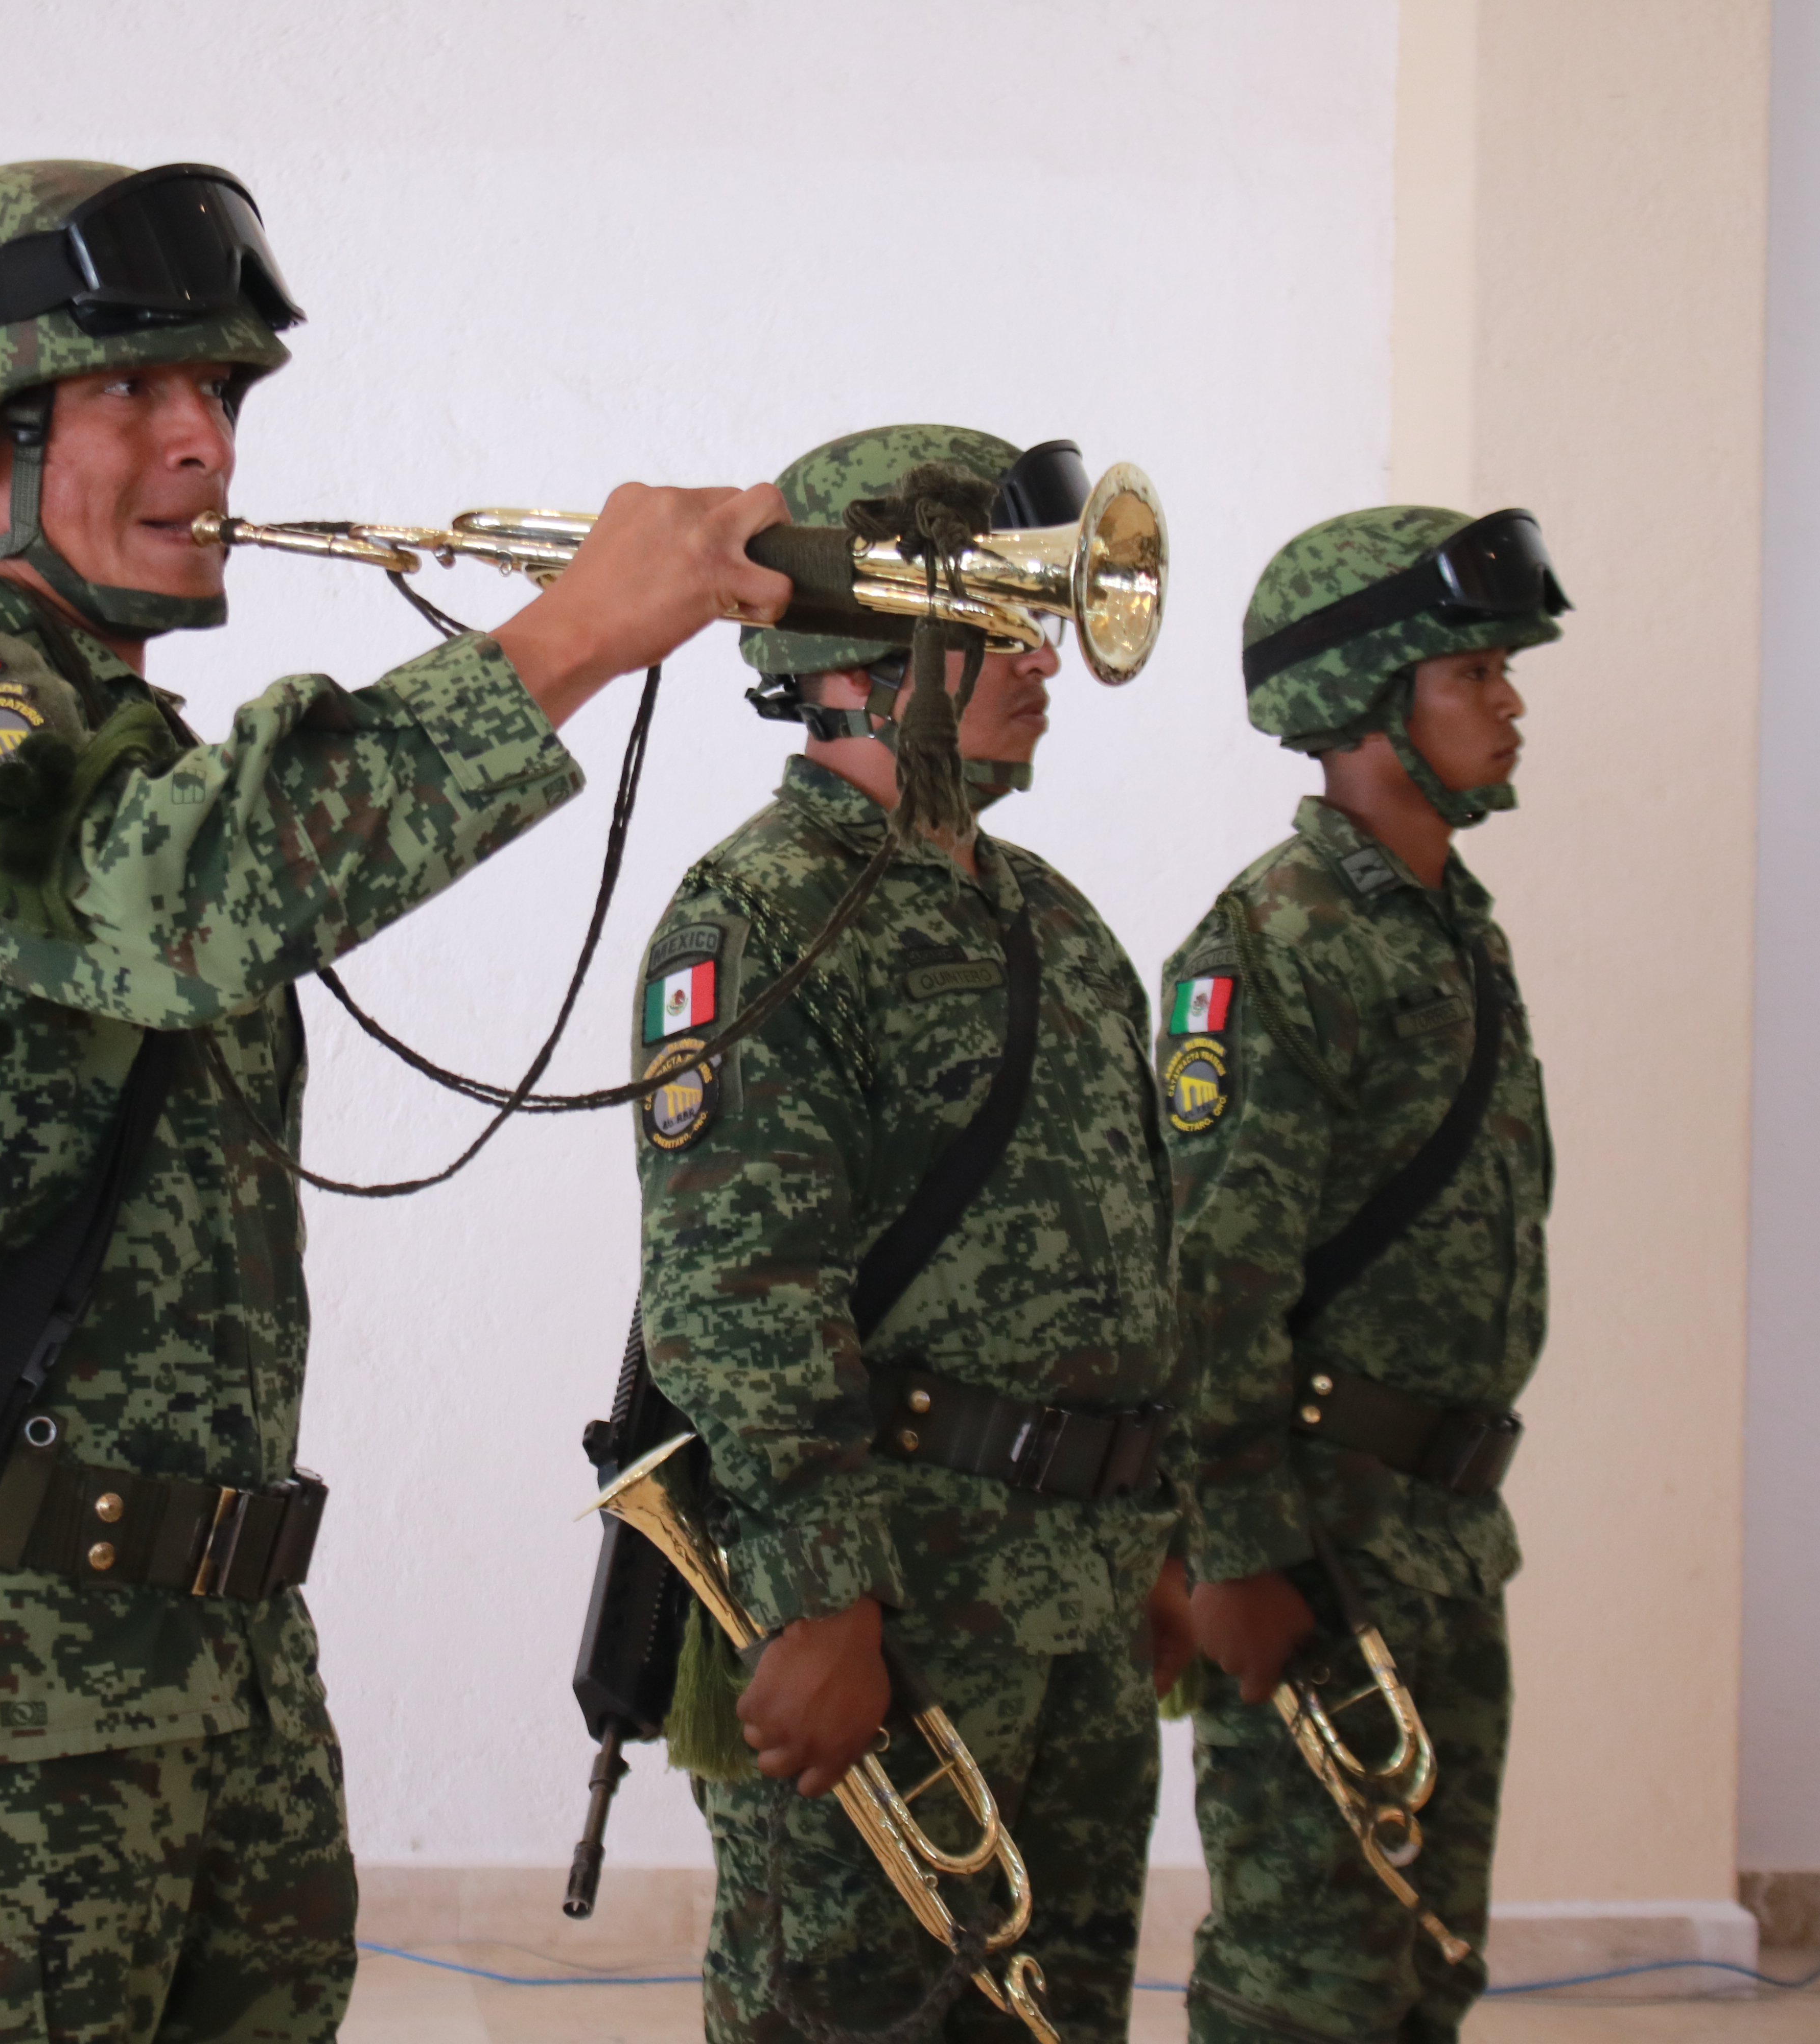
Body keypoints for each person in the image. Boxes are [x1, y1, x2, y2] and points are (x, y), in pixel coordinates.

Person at [0, 158, 788, 2044]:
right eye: (142, 394)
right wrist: (574, 635)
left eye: (224, 396)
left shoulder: (108, 731)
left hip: (220, 1677)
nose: (208, 443)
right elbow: (178, 899)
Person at [630, 424, 1194, 2044]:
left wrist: (1153, 1527)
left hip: (1075, 1601)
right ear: (863, 655)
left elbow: (1135, 1252)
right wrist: (822, 1603)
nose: (1043, 658)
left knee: (1053, 2018)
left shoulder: (1056, 923)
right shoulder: (759, 914)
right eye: (994, 620)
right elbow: (737, 1288)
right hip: (897, 1599)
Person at [1159, 506, 1568, 2043]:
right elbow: (1211, 1278)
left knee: (1427, 1959)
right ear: (1371, 698)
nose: (1511, 700)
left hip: (1447, 1530)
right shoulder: (1277, 940)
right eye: (1474, 669)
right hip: (1321, 1541)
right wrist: (1238, 1555)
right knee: (1305, 1977)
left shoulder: (1455, 929)